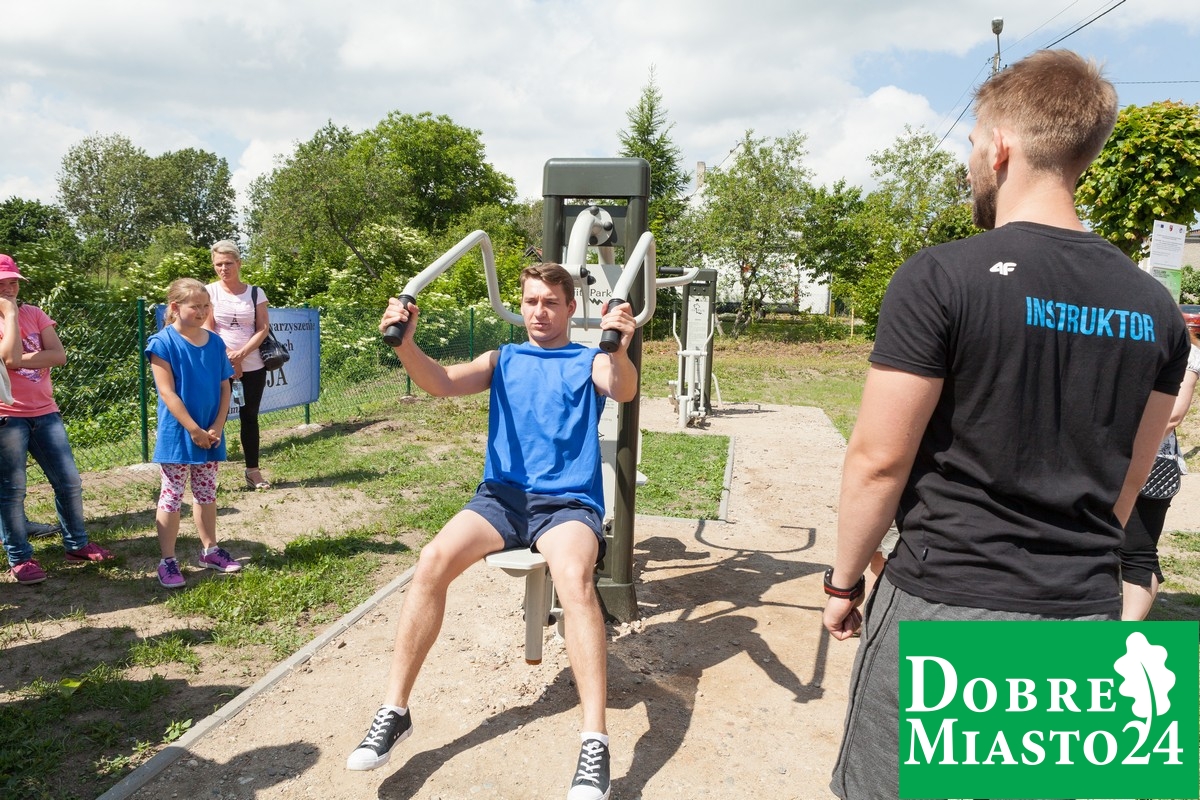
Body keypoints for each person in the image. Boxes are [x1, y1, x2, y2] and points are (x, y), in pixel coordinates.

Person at [820, 50, 1190, 800]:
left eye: (971, 145)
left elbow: (878, 461)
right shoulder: (1155, 308)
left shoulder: (940, 277)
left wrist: (843, 580)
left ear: (999, 147)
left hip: (947, 606)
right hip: (1083, 616)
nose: (970, 164)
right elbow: (1130, 480)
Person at [346, 263, 637, 800]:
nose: (539, 312)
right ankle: (395, 710)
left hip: (566, 504)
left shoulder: (589, 359)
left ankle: (594, 740)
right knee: (432, 560)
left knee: (574, 579)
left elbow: (622, 388)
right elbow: (440, 382)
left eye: (550, 302)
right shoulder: (502, 358)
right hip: (502, 499)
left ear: (571, 308)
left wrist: (619, 347)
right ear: (519, 306)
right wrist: (405, 346)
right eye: (531, 301)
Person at [0, 253, 114, 585]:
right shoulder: (12, 314)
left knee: (69, 481)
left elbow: (58, 355)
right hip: (8, 416)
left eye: (13, 282)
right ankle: (20, 558)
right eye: (2, 283)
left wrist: (19, 357)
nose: (9, 288)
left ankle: (76, 544)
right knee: (12, 490)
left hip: (46, 411)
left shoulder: (35, 313)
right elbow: (8, 357)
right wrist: (9, 316)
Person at [146, 278, 242, 589]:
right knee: (172, 494)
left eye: (206, 306)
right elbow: (167, 392)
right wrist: (193, 429)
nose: (201, 312)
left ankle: (210, 551)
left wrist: (217, 425)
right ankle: (168, 561)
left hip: (210, 433)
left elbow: (225, 386)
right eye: (195, 306)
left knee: (206, 492)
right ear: (175, 307)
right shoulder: (162, 343)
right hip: (179, 434)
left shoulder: (215, 342)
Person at [1120, 326, 1200, 620]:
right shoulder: (1126, 338)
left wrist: (1126, 448)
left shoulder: (1189, 353)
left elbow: (1174, 414)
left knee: (1137, 551)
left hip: (1152, 463)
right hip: (1108, 458)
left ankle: (1125, 632)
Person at [205, 240, 272, 490]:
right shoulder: (209, 292)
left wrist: (241, 355)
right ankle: (206, 477)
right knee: (215, 419)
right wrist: (229, 360)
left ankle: (253, 472)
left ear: (239, 263)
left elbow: (263, 328)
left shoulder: (255, 292)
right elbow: (207, 329)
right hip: (218, 366)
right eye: (218, 264)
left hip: (253, 365)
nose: (223, 269)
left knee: (250, 417)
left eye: (228, 263)